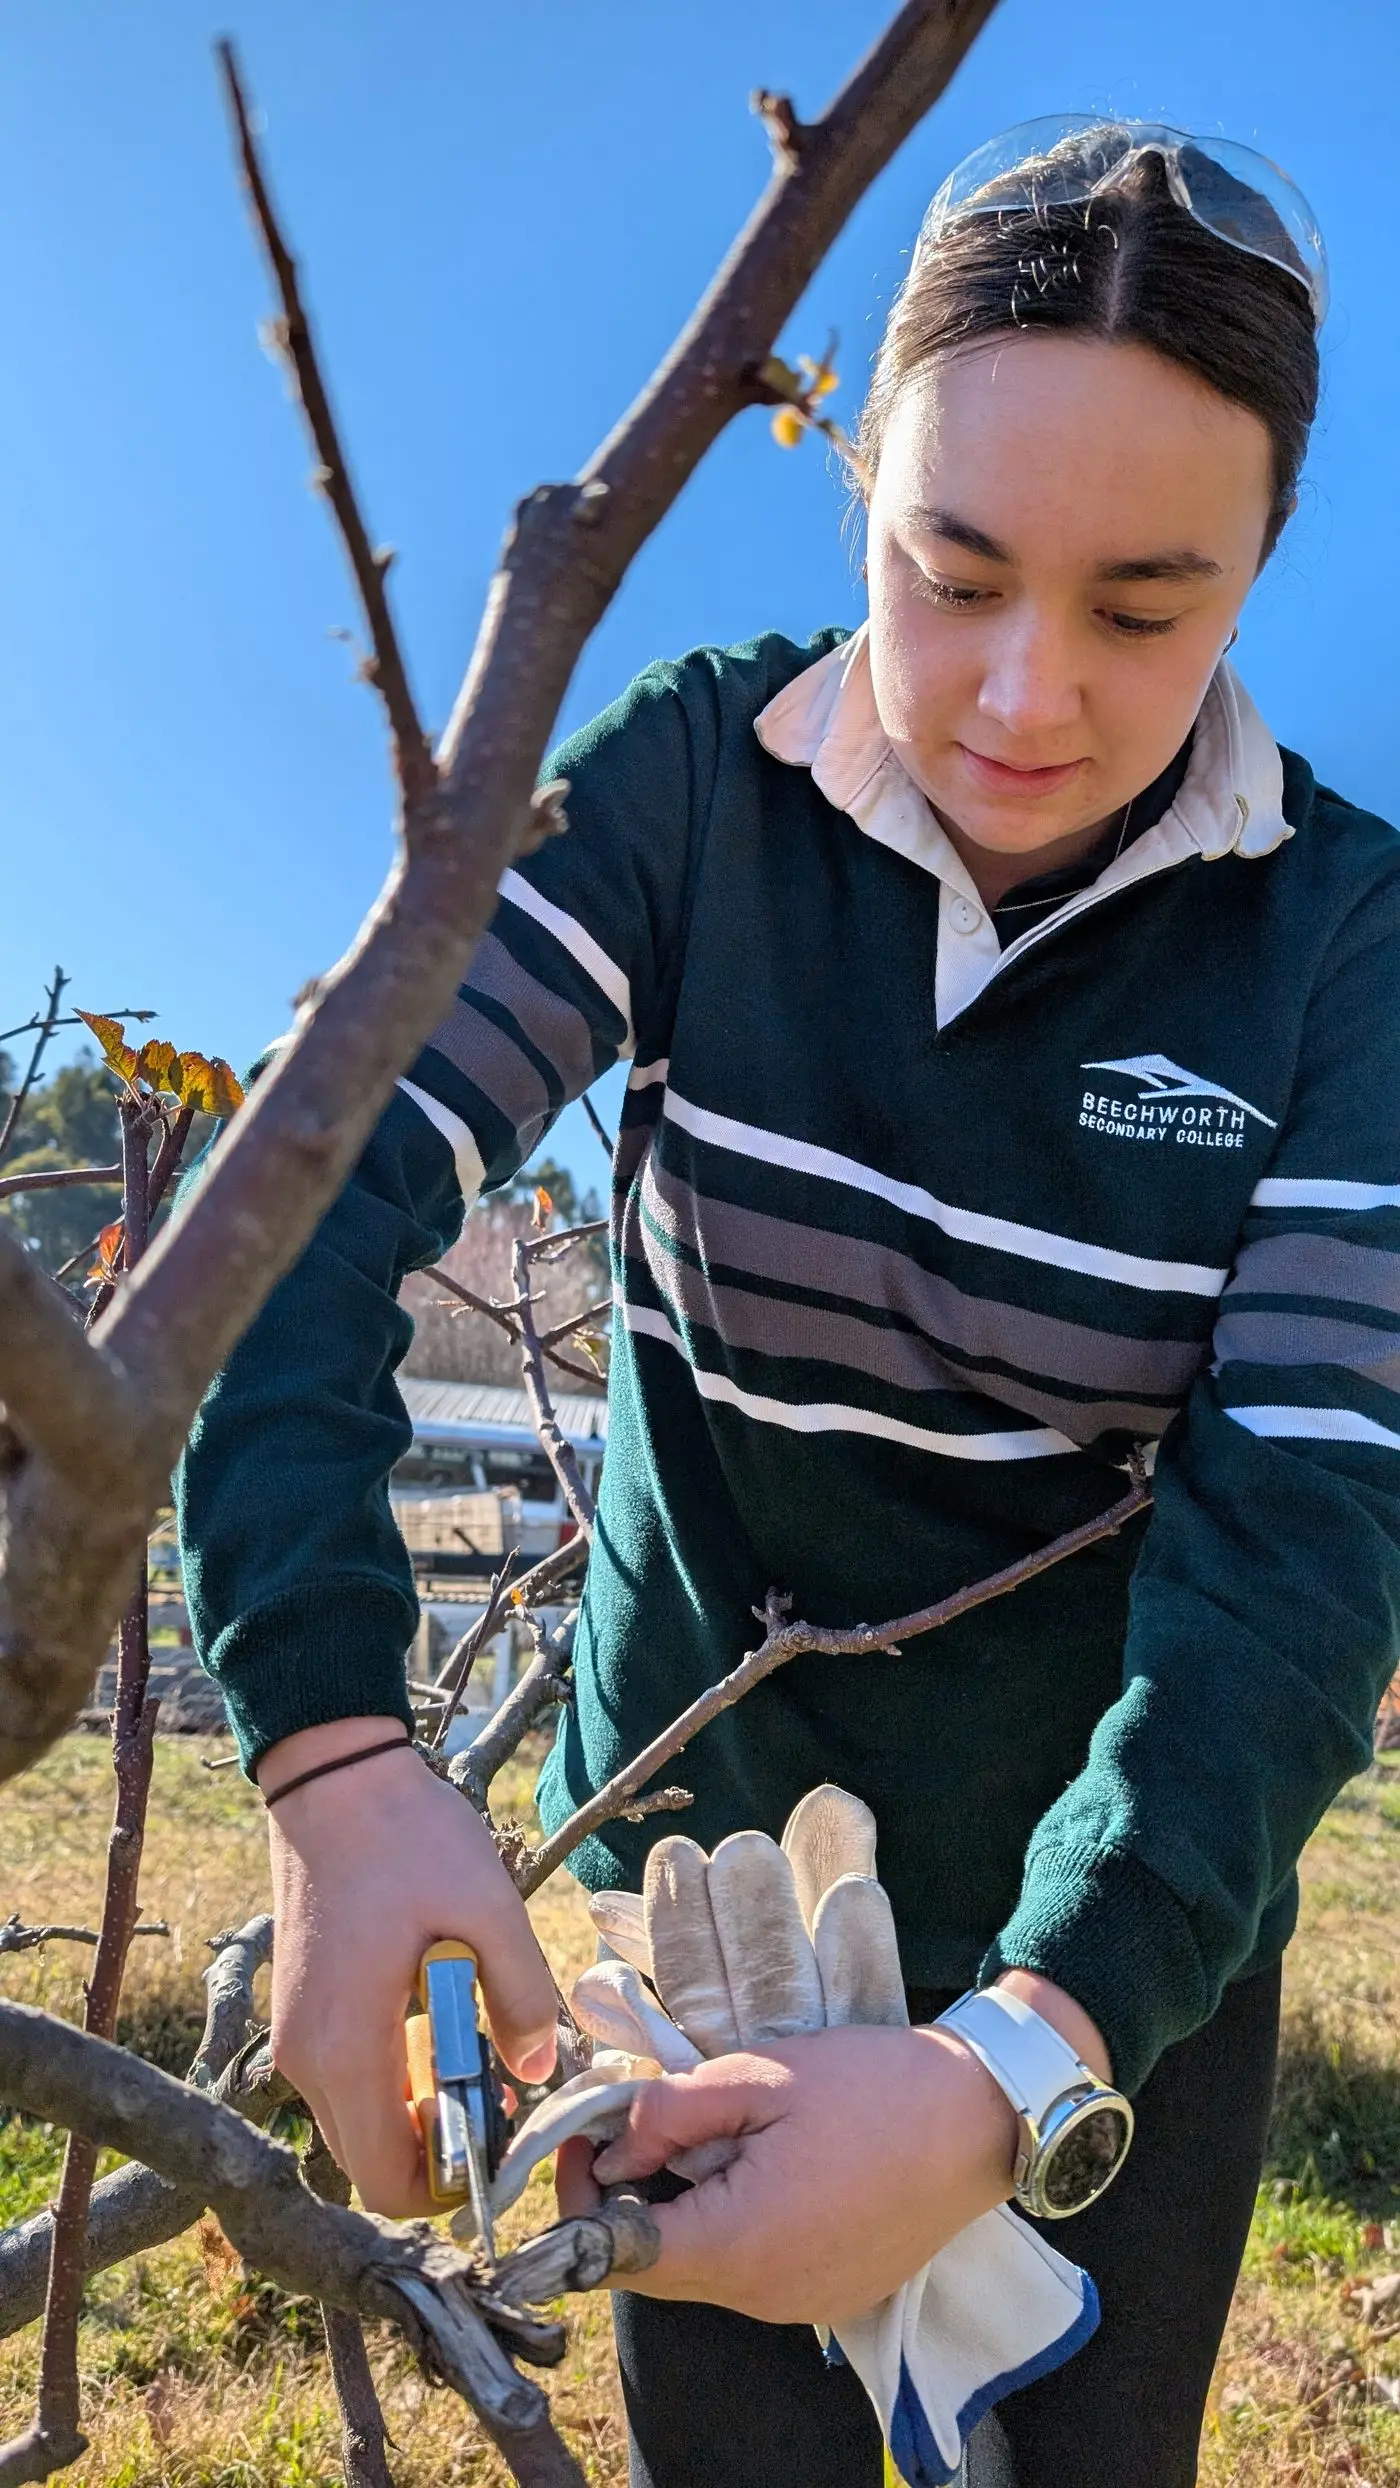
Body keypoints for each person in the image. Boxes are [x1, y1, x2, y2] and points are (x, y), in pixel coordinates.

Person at [178, 117, 1400, 2488]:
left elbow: (1302, 1539)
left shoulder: (1344, 947)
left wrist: (1019, 2054)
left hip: (1119, 1918)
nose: (1020, 696)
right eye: (946, 570)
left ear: (1258, 572)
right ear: (849, 472)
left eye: (1145, 609)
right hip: (698, 1911)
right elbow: (302, 1204)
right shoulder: (691, 792)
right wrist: (335, 1758)